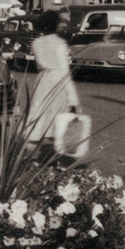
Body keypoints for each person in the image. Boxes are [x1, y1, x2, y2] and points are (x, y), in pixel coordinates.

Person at [23, 10, 82, 151]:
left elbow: (37, 64)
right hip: (57, 81)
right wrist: (74, 100)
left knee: (38, 117)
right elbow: (65, 71)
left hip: (42, 80)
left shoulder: (37, 43)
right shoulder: (60, 43)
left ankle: (32, 155)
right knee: (56, 120)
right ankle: (52, 157)